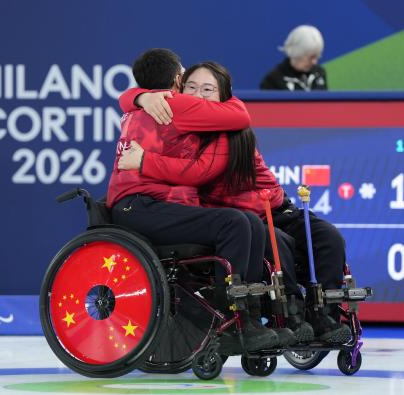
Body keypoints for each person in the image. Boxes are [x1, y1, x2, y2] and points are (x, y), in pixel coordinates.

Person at [120, 61, 351, 344]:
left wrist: (143, 157)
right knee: (274, 241)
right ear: (179, 88)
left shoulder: (227, 123)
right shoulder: (184, 122)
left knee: (329, 238)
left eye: (208, 89)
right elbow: (196, 171)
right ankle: (292, 314)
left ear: (223, 95)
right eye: (190, 87)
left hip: (274, 209)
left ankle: (325, 314)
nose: (198, 94)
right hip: (244, 217)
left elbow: (203, 164)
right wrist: (140, 96)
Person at [107, 48, 279, 351]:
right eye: (185, 75)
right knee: (236, 222)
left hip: (138, 205)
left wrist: (138, 96)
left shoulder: (137, 106)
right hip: (141, 206)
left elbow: (127, 97)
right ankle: (230, 315)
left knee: (248, 221)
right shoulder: (179, 105)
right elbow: (239, 114)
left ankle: (247, 314)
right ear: (177, 78)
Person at [260, 25, 327, 91]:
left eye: (317, 56)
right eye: (311, 57)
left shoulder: (319, 73)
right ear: (296, 53)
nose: (314, 62)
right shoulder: (273, 81)